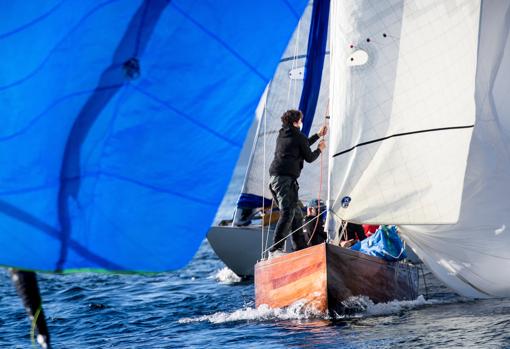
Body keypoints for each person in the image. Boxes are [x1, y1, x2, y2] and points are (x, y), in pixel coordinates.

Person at [268, 109, 327, 257]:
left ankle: (300, 249)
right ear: (296, 122)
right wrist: (320, 149)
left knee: (297, 215)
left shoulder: (282, 135)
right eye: (300, 120)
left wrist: (318, 135)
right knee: (288, 212)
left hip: (278, 179)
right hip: (283, 180)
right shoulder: (298, 137)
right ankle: (275, 249)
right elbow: (309, 157)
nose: (301, 122)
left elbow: (302, 143)